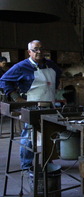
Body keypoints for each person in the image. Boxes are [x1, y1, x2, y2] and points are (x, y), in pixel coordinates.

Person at [0, 40, 62, 170]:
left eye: (41, 49)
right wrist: (16, 98)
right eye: (35, 49)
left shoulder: (51, 65)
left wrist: (53, 90)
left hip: (49, 104)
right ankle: (26, 165)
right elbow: (4, 80)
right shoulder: (21, 66)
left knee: (49, 135)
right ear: (29, 52)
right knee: (29, 136)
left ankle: (47, 162)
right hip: (31, 107)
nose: (39, 52)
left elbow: (57, 77)